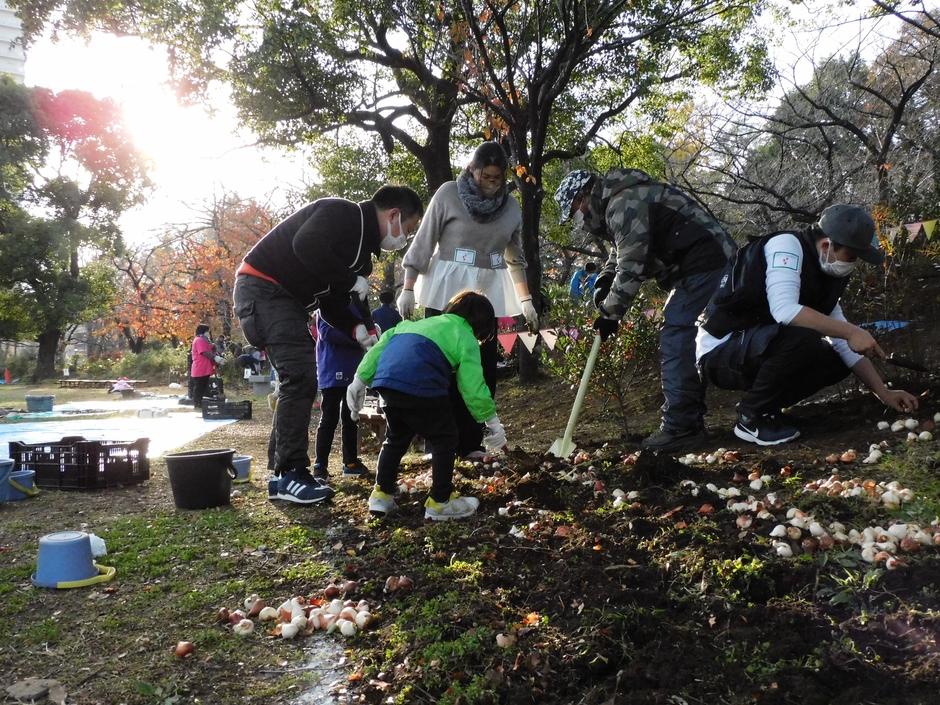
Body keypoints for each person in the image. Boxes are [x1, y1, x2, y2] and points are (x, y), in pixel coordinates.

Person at [233, 184, 424, 505]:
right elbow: (305, 244)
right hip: (262, 288)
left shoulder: (360, 255)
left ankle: (280, 475)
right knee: (300, 376)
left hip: (287, 301)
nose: (404, 237)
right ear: (393, 215)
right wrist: (350, 280)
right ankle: (292, 471)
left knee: (296, 379)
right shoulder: (342, 213)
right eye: (407, 228)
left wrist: (356, 329)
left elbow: (331, 304)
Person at [696, 204, 919, 445]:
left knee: (838, 358)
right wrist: (853, 331)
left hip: (757, 348)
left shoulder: (826, 274)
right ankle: (751, 418)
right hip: (720, 352)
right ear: (826, 245)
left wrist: (883, 392)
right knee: (803, 338)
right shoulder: (786, 247)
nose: (853, 265)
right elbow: (785, 311)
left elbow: (844, 341)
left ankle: (767, 408)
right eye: (851, 257)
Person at [554, 168, 738, 452]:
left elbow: (632, 264)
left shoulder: (623, 202)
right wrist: (605, 280)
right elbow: (621, 250)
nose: (579, 222)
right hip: (697, 267)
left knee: (677, 334)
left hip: (707, 263)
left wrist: (610, 315)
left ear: (584, 196)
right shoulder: (619, 201)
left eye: (575, 212)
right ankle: (688, 419)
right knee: (681, 334)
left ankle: (683, 426)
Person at [398, 142, 537, 457]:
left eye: (497, 178)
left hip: (484, 299)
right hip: (445, 292)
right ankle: (438, 443)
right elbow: (423, 242)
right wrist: (408, 286)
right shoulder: (448, 194)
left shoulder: (511, 207)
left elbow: (516, 256)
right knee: (439, 368)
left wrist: (525, 299)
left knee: (481, 369)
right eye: (485, 176)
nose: (491, 183)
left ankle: (471, 442)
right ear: (472, 170)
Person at [346, 291, 507, 521]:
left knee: (395, 439)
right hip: (424, 383)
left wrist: (359, 380)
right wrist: (492, 422)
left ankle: (381, 494)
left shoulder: (412, 325)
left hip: (389, 384)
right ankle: (441, 500)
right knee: (445, 437)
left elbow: (379, 348)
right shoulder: (465, 335)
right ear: (482, 324)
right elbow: (473, 387)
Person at [313, 309, 370, 483]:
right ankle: (320, 465)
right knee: (329, 417)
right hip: (332, 368)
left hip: (354, 368)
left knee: (351, 416)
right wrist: (358, 339)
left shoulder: (359, 306)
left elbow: (368, 329)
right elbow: (327, 333)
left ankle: (351, 463)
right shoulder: (326, 305)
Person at [191, 324, 223, 409]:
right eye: (207, 331)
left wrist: (214, 347)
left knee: (203, 386)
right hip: (200, 366)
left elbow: (210, 350)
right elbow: (204, 352)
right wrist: (215, 357)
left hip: (205, 366)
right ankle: (197, 404)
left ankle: (199, 403)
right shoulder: (199, 340)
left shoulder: (205, 340)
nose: (208, 333)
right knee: (199, 386)